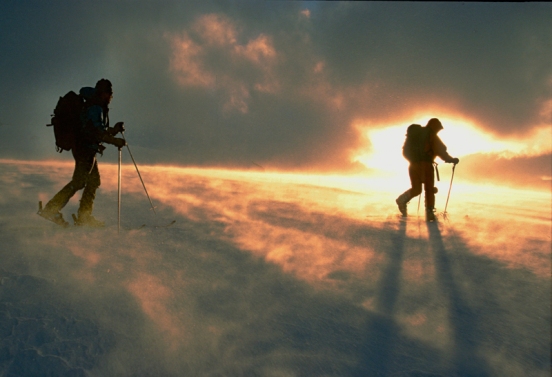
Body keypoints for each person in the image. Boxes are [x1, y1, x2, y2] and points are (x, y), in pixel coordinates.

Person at [39, 79, 126, 227]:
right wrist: (115, 141)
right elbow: (97, 132)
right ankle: (51, 209)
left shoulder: (94, 104)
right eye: (109, 94)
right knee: (79, 181)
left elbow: (96, 129)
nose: (110, 97)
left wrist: (114, 130)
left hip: (85, 147)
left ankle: (84, 216)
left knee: (92, 181)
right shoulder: (95, 107)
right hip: (84, 148)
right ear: (104, 93)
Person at [395, 118, 459, 221]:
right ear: (435, 126)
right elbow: (441, 151)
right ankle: (429, 212)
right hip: (426, 165)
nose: (438, 131)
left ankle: (402, 200)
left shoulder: (415, 136)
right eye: (438, 128)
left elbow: (405, 152)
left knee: (416, 189)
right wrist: (451, 160)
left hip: (413, 165)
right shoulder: (431, 135)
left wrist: (414, 161)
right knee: (429, 188)